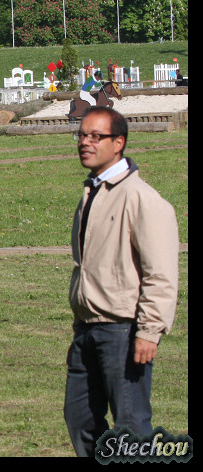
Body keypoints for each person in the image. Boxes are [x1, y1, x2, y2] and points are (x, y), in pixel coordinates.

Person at [64, 106, 180, 457]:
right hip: (87, 328)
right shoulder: (93, 192)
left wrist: (149, 331)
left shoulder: (142, 198)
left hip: (124, 330)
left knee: (130, 425)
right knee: (80, 418)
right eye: (82, 135)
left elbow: (160, 273)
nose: (85, 142)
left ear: (119, 143)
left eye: (95, 136)